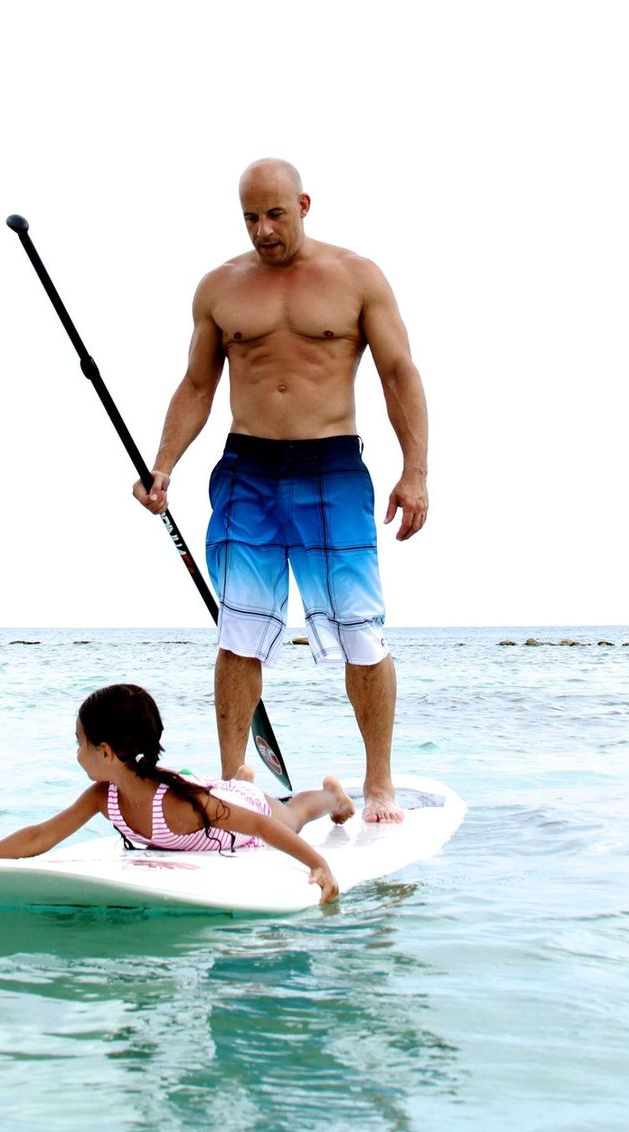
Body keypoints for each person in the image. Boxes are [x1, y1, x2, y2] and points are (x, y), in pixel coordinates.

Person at [133, 158, 429, 824]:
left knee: (361, 631)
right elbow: (199, 385)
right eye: (250, 217)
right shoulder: (220, 288)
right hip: (246, 470)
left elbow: (399, 373)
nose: (264, 230)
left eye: (276, 214)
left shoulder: (355, 278)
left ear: (303, 204)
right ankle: (235, 776)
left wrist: (416, 471)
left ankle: (378, 783)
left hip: (332, 471)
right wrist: (163, 464)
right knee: (238, 630)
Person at [0, 684, 354, 905]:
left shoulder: (180, 807)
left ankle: (331, 796)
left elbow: (258, 825)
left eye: (79, 743)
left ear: (105, 752)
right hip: (215, 797)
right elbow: (41, 835)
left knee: (293, 815)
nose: (76, 753)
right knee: (235, 788)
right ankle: (241, 778)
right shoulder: (103, 796)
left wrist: (317, 863)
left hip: (243, 813)